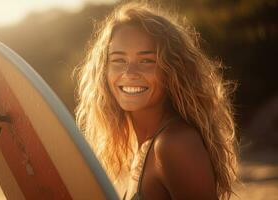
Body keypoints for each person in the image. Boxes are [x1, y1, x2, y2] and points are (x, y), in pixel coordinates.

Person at [74, 2, 238, 200]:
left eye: (147, 61)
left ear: (172, 71)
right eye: (119, 60)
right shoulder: (141, 147)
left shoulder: (174, 144)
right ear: (104, 71)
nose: (130, 73)